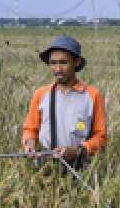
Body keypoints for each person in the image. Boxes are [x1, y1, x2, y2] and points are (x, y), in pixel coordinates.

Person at [21, 35, 107, 167]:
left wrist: (78, 150)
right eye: (53, 63)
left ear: (76, 62)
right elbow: (30, 130)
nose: (58, 69)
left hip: (79, 167)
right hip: (45, 165)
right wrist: (30, 144)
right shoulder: (41, 94)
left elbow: (100, 137)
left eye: (63, 62)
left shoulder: (92, 95)